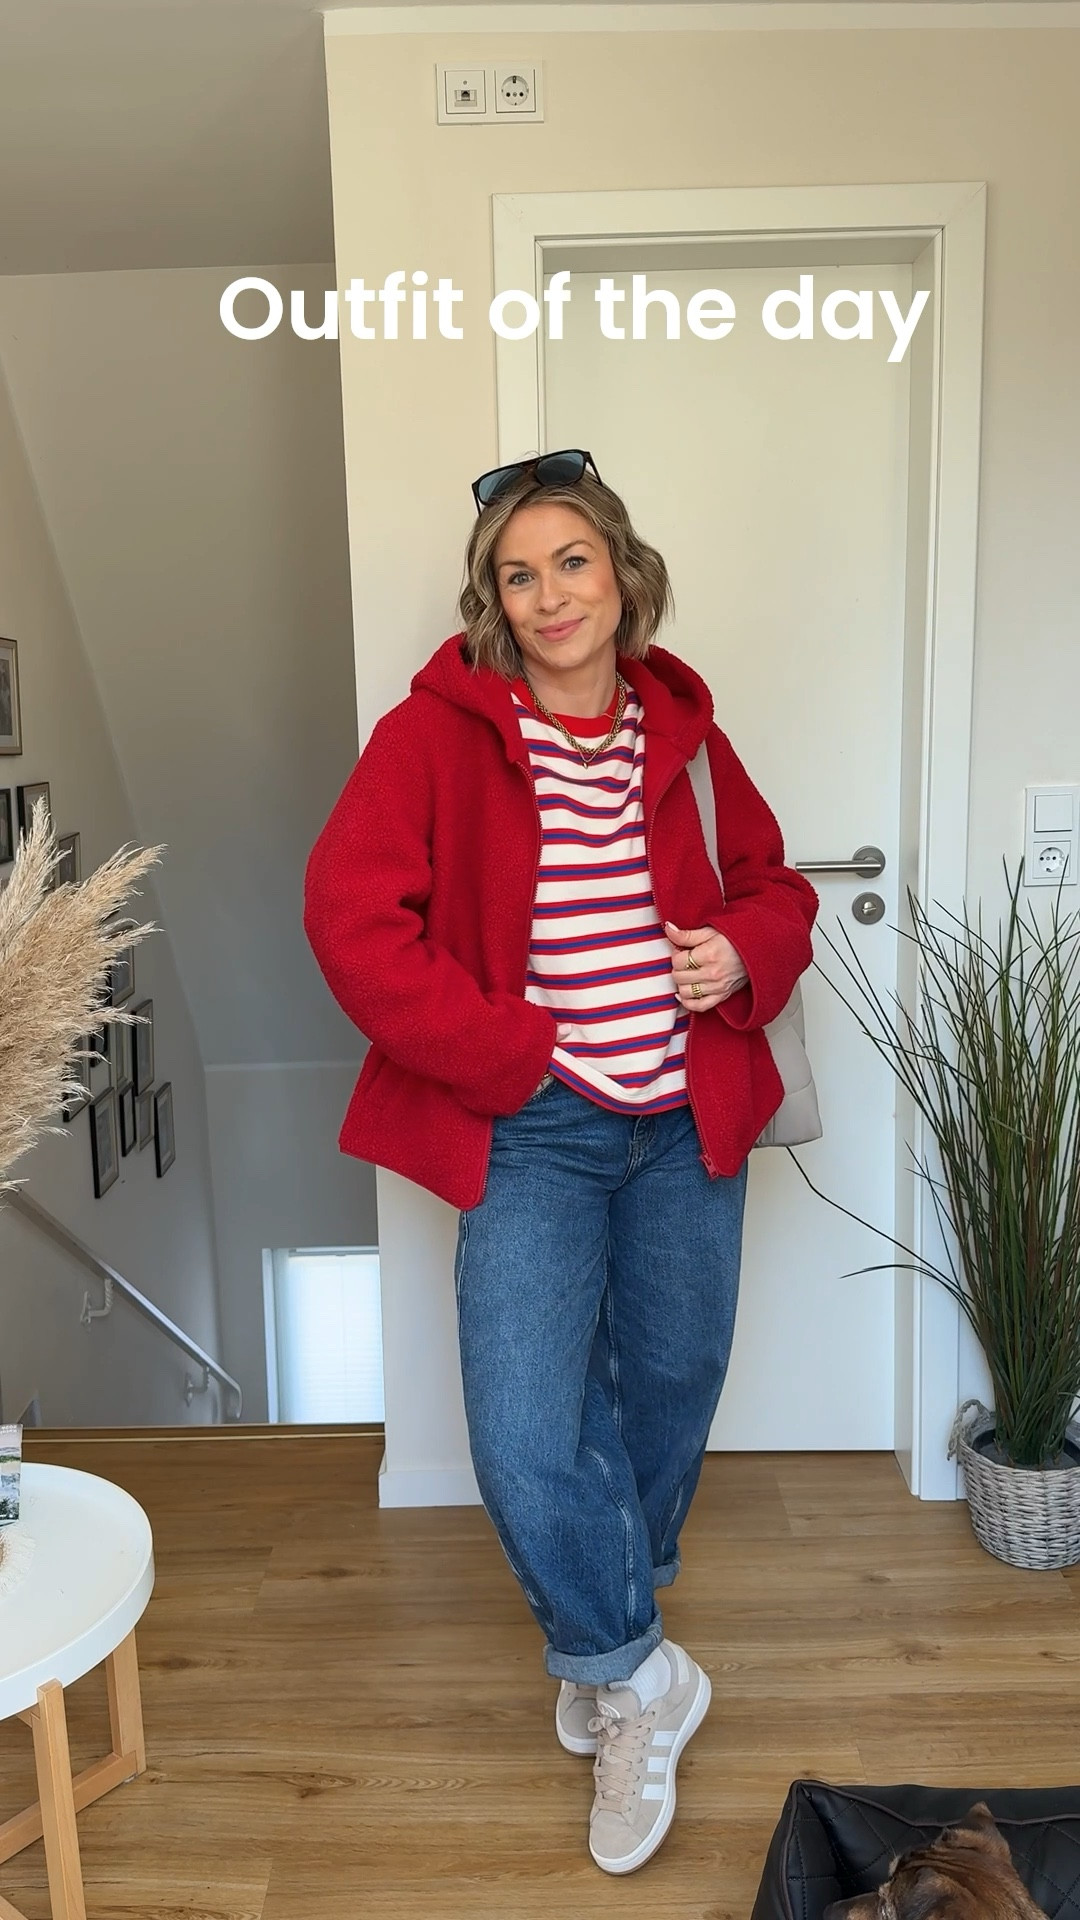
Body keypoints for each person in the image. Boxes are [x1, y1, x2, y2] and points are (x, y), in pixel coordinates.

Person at [304, 448, 818, 1876]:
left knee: (669, 1379)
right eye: (517, 574)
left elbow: (775, 889)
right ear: (492, 596)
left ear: (620, 572)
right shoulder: (436, 736)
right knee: (525, 1421)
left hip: (686, 1123)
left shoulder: (687, 734)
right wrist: (507, 1053)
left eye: (570, 563)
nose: (548, 596)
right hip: (535, 1124)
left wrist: (745, 951)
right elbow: (350, 920)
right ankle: (638, 1671)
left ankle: (607, 1640)